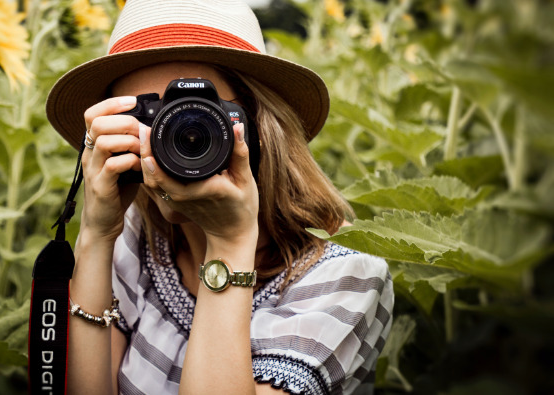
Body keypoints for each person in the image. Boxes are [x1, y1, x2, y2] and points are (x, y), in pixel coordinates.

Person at [45, 1, 393, 394]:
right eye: (151, 117)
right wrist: (95, 232)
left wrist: (229, 242)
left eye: (199, 113)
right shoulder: (138, 230)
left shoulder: (346, 270)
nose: (175, 135)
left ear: (260, 125)